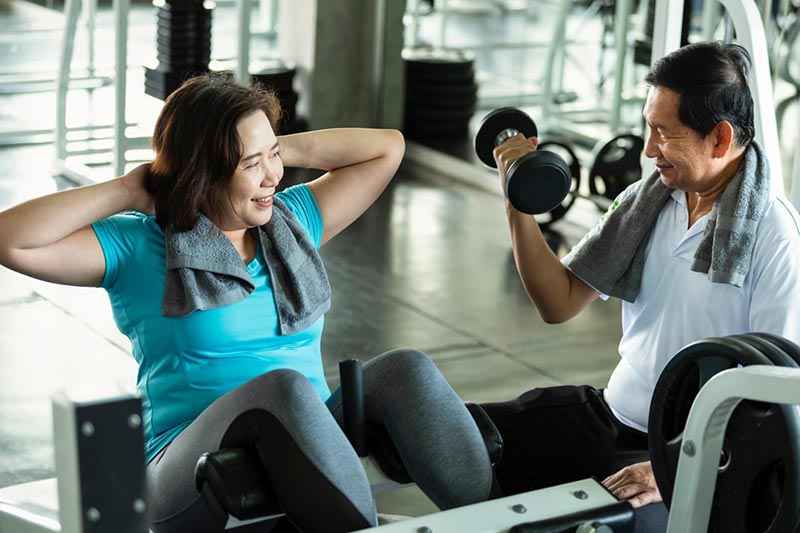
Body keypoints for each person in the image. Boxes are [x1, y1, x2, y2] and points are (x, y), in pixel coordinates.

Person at [0, 74, 494, 533]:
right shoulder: (139, 247)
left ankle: (503, 517)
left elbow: (388, 147)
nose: (272, 178)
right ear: (201, 170)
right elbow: (11, 240)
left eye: (272, 158)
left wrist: (268, 146)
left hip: (310, 435)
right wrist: (132, 188)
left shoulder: (291, 221)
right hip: (182, 464)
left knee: (405, 368)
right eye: (250, 165)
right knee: (281, 388)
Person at [479, 40, 800, 529]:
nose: (649, 150)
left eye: (663, 134)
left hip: (693, 455)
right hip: (611, 416)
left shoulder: (773, 235)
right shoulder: (649, 201)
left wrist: (673, 468)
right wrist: (517, 198)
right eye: (649, 129)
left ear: (719, 137)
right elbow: (557, 301)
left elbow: (780, 392)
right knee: (462, 434)